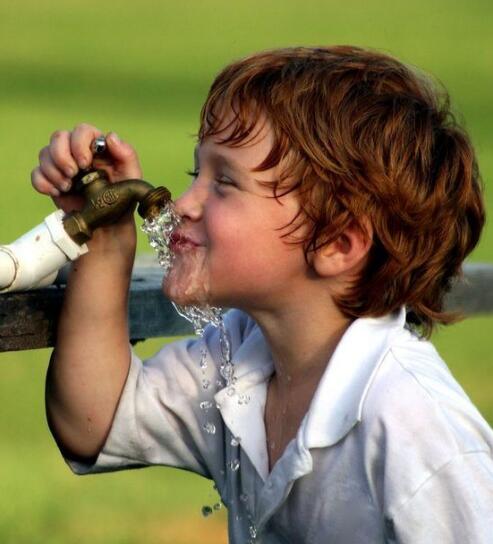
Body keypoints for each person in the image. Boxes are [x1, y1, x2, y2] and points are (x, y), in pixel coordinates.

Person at [32, 46, 493, 543]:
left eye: (224, 182)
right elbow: (95, 420)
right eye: (195, 175)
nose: (183, 204)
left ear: (337, 244)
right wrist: (106, 238)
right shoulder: (243, 357)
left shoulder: (415, 432)